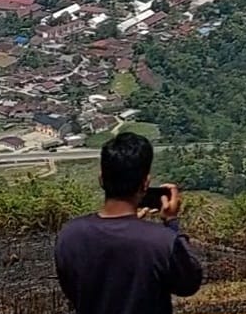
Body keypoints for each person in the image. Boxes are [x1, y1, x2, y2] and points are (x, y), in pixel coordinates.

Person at [54, 131, 204, 314]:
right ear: (145, 183)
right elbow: (189, 285)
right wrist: (171, 222)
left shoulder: (69, 234)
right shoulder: (161, 241)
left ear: (101, 179)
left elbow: (72, 290)